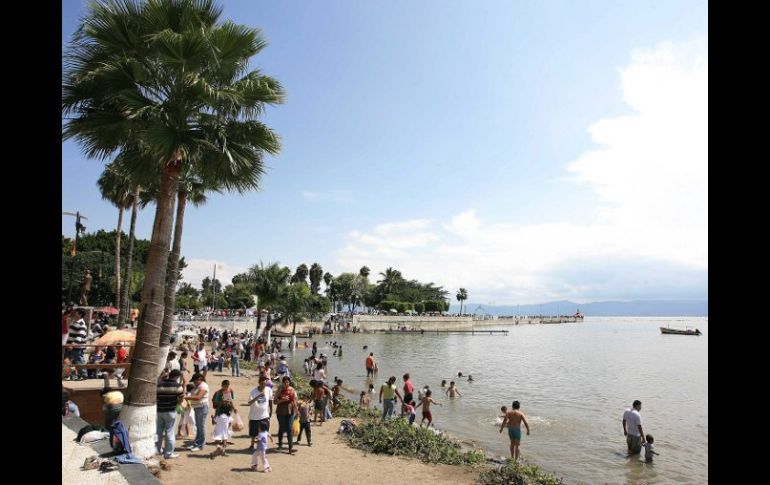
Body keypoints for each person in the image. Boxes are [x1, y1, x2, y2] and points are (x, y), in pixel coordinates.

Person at [156, 369, 183, 459]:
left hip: (160, 410)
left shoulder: (159, 384)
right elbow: (181, 398)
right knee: (170, 432)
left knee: (158, 431)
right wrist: (178, 403)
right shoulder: (178, 386)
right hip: (171, 411)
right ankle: (168, 453)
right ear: (177, 377)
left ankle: (157, 450)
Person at [184, 373, 210, 452]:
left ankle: (200, 445)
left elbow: (199, 397)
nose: (194, 383)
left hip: (202, 407)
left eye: (195, 381)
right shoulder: (197, 386)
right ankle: (197, 443)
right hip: (197, 408)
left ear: (199, 379)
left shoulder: (203, 386)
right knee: (198, 426)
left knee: (201, 427)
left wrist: (186, 397)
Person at [247, 375, 273, 451]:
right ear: (259, 383)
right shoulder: (253, 391)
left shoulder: (268, 390)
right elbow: (249, 403)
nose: (263, 385)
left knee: (264, 431)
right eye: (262, 383)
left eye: (265, 383)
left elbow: (270, 401)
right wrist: (258, 396)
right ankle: (252, 444)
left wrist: (271, 411)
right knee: (253, 433)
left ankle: (262, 445)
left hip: (264, 415)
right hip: (254, 415)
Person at [274, 376, 298, 453]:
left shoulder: (292, 390)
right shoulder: (279, 390)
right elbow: (274, 401)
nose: (286, 384)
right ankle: (280, 445)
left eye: (287, 382)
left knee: (289, 428)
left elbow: (295, 401)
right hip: (281, 411)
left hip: (290, 411)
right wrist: (282, 400)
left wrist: (297, 411)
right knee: (282, 428)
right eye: (285, 382)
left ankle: (290, 447)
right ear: (282, 383)